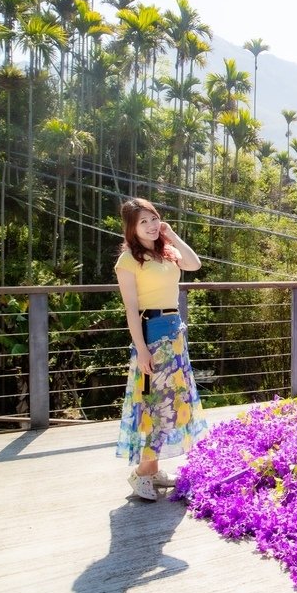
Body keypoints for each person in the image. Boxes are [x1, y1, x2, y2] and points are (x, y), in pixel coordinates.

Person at [115, 198, 208, 501]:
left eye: (154, 218)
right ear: (132, 228)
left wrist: (170, 234)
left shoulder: (165, 252)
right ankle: (143, 471)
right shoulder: (128, 260)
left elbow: (194, 264)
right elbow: (130, 310)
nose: (152, 225)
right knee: (156, 404)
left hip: (174, 332)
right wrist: (141, 350)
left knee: (172, 401)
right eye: (144, 222)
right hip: (151, 334)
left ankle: (152, 469)